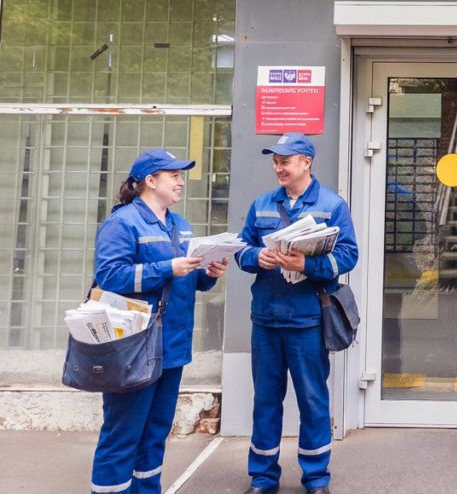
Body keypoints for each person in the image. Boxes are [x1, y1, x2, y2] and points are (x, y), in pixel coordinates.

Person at [91, 149, 227, 494]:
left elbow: (186, 281)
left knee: (155, 432)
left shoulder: (181, 226)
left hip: (172, 347)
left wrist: (208, 274)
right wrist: (167, 268)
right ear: (150, 181)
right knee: (123, 434)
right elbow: (109, 277)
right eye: (174, 176)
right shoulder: (122, 223)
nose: (181, 182)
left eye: (181, 176)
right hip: (133, 347)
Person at [236, 133, 359, 494]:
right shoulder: (261, 204)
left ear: (306, 162)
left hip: (308, 321)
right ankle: (263, 478)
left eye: (285, 161)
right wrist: (255, 256)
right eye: (275, 161)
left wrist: (307, 264)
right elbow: (241, 249)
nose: (278, 168)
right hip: (266, 320)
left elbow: (348, 256)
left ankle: (316, 479)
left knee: (313, 401)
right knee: (265, 402)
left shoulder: (332, 205)